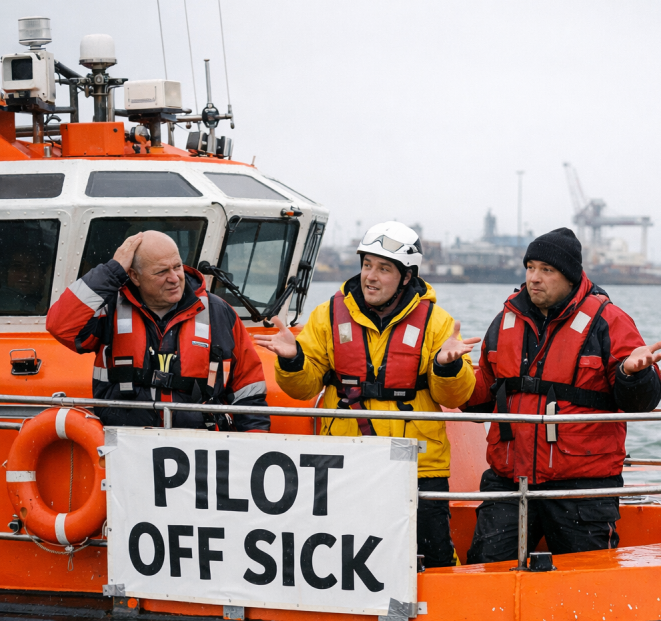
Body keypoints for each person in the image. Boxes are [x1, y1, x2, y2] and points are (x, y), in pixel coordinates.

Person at [255, 220, 479, 568]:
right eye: (367, 265)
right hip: (346, 462)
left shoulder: (437, 324)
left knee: (433, 559)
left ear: (407, 276)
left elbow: (455, 395)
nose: (370, 276)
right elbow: (305, 388)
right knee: (342, 555)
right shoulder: (328, 316)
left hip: (418, 466)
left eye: (384, 269)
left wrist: (448, 366)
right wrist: (294, 360)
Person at [465, 226, 661, 563]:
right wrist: (447, 371)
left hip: (582, 489)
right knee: (484, 569)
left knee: (590, 584)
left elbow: (642, 402)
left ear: (570, 277)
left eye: (547, 270)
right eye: (530, 268)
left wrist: (634, 373)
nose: (535, 278)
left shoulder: (609, 321)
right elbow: (478, 399)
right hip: (509, 483)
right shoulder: (504, 322)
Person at [47, 231, 270, 432]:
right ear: (134, 276)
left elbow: (248, 392)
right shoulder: (109, 310)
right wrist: (112, 271)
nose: (174, 278)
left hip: (199, 451)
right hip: (125, 448)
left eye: (177, 267)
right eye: (161, 271)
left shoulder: (219, 313)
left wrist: (253, 445)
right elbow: (61, 325)